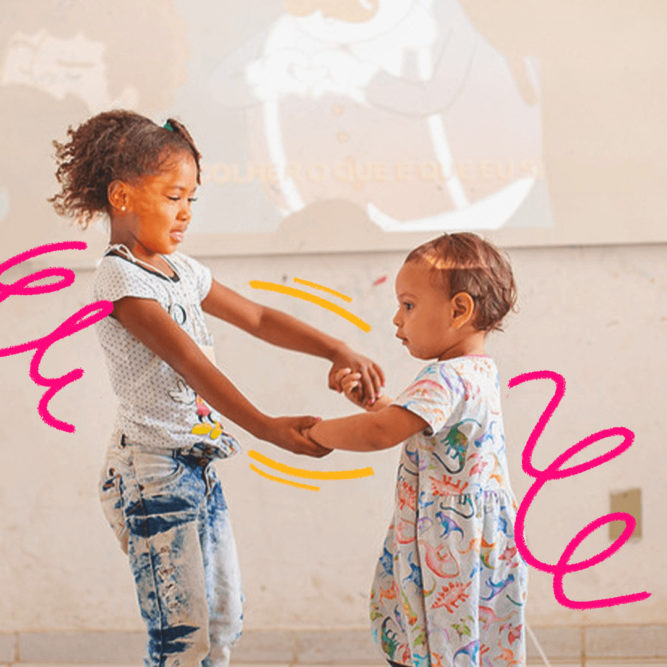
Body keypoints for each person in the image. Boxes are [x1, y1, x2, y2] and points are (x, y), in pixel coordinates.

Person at [49, 109, 384, 666]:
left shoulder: (181, 269)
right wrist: (269, 429)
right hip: (150, 472)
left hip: (195, 461)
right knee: (181, 635)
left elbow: (255, 316)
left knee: (221, 622)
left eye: (191, 201)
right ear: (122, 196)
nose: (184, 214)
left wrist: (336, 348)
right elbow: (190, 364)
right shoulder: (120, 279)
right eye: (173, 196)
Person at [306, 233, 527, 667]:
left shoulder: (443, 378)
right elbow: (421, 425)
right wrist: (374, 405)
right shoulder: (478, 370)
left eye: (408, 305)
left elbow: (379, 434)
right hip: (481, 537)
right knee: (475, 644)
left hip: (446, 540)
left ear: (459, 310)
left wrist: (317, 432)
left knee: (432, 646)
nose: (396, 319)